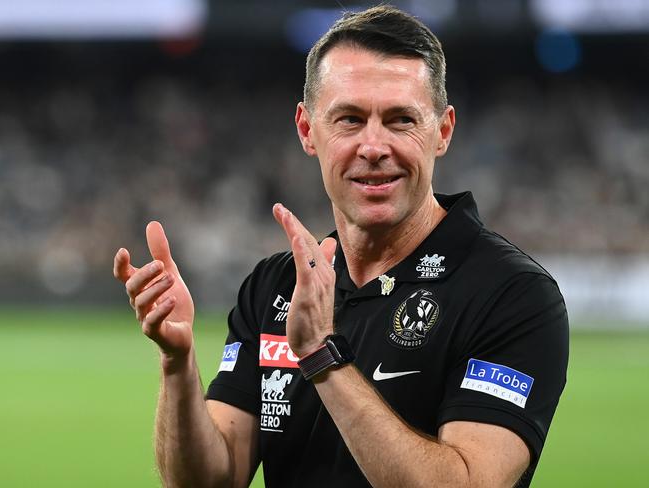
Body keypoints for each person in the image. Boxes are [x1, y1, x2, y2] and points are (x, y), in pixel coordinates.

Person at [113, 5, 568, 488]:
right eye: (349, 119)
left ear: (443, 131)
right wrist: (177, 364)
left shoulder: (511, 294)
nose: (373, 146)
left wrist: (321, 356)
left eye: (400, 120)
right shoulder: (274, 286)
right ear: (308, 130)